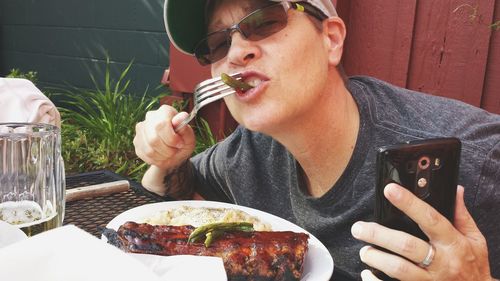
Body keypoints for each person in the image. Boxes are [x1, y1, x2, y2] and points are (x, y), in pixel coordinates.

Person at [134, 0, 500, 280]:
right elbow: (178, 200)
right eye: (216, 44)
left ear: (332, 39)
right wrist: (167, 161)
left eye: (263, 21)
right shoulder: (249, 151)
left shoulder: (480, 161)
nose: (234, 53)